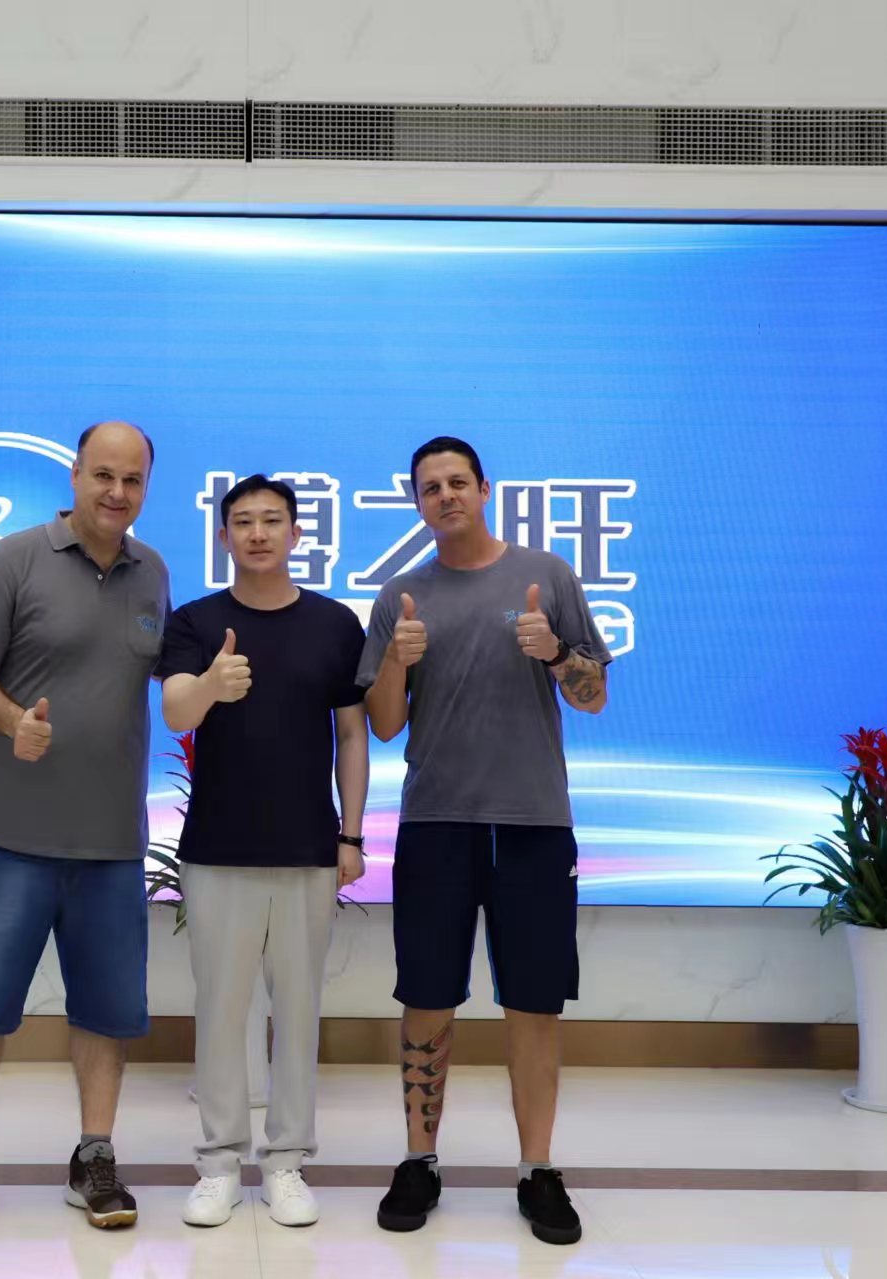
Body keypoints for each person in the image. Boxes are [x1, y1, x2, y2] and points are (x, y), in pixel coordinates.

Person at [0, 420, 169, 1239]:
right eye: (103, 474)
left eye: (132, 479)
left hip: (110, 842)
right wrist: (12, 721)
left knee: (105, 1010)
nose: (116, 492)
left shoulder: (152, 573)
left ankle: (95, 1155)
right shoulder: (14, 559)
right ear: (74, 475)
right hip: (7, 835)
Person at [357, 435, 611, 1247]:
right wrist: (394, 661)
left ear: (483, 488)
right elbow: (384, 724)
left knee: (532, 1002)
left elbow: (594, 696)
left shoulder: (547, 575)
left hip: (532, 821)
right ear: (416, 502)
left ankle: (536, 1168)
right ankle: (419, 1158)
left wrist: (555, 653)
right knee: (426, 996)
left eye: (457, 482)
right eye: (429, 487)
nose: (445, 496)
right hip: (435, 820)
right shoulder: (399, 594)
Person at [156, 474, 370, 1230]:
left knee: (299, 1010)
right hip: (218, 847)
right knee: (220, 1010)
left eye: (272, 520)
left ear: (296, 533)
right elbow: (174, 710)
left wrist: (351, 834)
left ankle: (285, 1161)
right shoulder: (195, 621)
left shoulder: (334, 623)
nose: (257, 533)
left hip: (308, 847)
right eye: (242, 521)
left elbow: (352, 733)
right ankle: (218, 1162)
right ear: (222, 536)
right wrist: (212, 684)